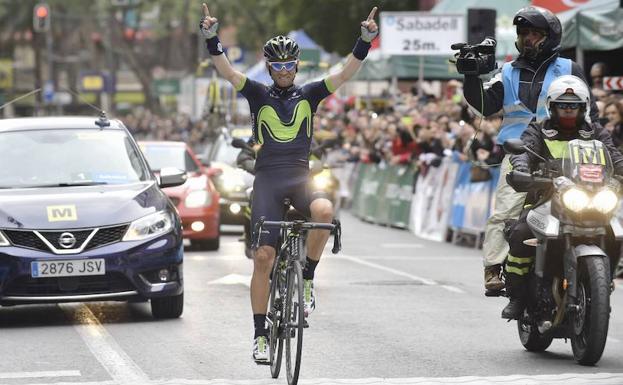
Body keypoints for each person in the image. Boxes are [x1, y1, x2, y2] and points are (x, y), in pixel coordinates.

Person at [199, 3, 378, 363]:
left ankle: (308, 277)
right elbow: (226, 70)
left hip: (300, 177)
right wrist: (211, 38)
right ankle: (260, 335)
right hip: (267, 180)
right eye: (277, 65)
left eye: (288, 65)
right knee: (263, 257)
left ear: (297, 66)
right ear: (269, 67)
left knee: (325, 209)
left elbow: (344, 74)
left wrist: (364, 41)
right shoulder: (257, 93)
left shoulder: (310, 93)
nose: (283, 70)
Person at [460, 6, 601, 293]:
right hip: (521, 153)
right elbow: (485, 107)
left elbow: (591, 114)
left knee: (598, 202)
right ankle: (493, 267)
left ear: (549, 37)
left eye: (534, 33)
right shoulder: (507, 71)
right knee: (505, 211)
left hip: (569, 151)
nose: (527, 39)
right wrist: (471, 77)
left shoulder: (569, 69)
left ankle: (600, 262)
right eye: (523, 33)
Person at [503, 75, 623, 319]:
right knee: (521, 233)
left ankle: (602, 281)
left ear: (584, 107)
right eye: (563, 105)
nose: (568, 110)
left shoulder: (596, 132)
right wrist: (523, 170)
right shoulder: (539, 130)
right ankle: (517, 296)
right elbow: (522, 152)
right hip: (546, 198)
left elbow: (615, 158)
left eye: (574, 105)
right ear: (552, 106)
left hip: (591, 200)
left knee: (616, 230)